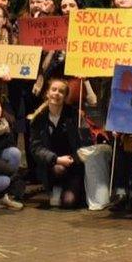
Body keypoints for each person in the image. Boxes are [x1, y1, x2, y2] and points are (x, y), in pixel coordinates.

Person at [30, 78, 85, 208]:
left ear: (65, 96)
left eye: (61, 91)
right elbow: (36, 148)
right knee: (58, 168)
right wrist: (56, 159)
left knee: (69, 202)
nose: (56, 93)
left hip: (73, 165)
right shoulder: (38, 118)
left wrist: (73, 159)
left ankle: (71, 189)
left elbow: (83, 144)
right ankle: (55, 187)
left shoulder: (74, 116)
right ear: (47, 93)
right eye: (53, 90)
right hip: (52, 166)